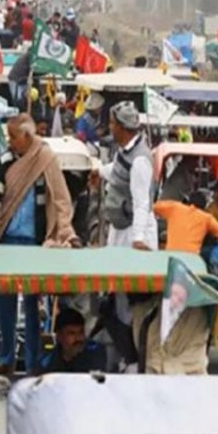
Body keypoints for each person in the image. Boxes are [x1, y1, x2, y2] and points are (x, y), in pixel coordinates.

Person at [0, 114, 81, 377]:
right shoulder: (7, 161)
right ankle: (7, 360)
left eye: (13, 137)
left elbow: (61, 199)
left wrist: (67, 233)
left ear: (27, 137)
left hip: (35, 242)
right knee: (6, 305)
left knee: (33, 306)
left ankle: (33, 365)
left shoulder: (46, 159)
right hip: (8, 240)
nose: (10, 142)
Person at [90, 101, 157, 369]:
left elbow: (143, 202)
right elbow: (115, 172)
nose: (109, 127)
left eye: (112, 123)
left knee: (131, 302)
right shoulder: (123, 152)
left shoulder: (141, 159)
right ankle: (121, 355)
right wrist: (98, 171)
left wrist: (138, 239)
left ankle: (133, 359)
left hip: (133, 232)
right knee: (114, 297)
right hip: (118, 231)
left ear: (122, 127)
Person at [38, 308, 107, 374]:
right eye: (71, 333)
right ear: (59, 336)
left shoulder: (95, 357)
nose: (78, 338)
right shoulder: (47, 363)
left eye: (81, 332)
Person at [154, 194, 218, 254]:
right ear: (204, 207)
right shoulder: (206, 218)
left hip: (170, 257)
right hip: (192, 260)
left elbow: (153, 207)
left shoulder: (175, 207)